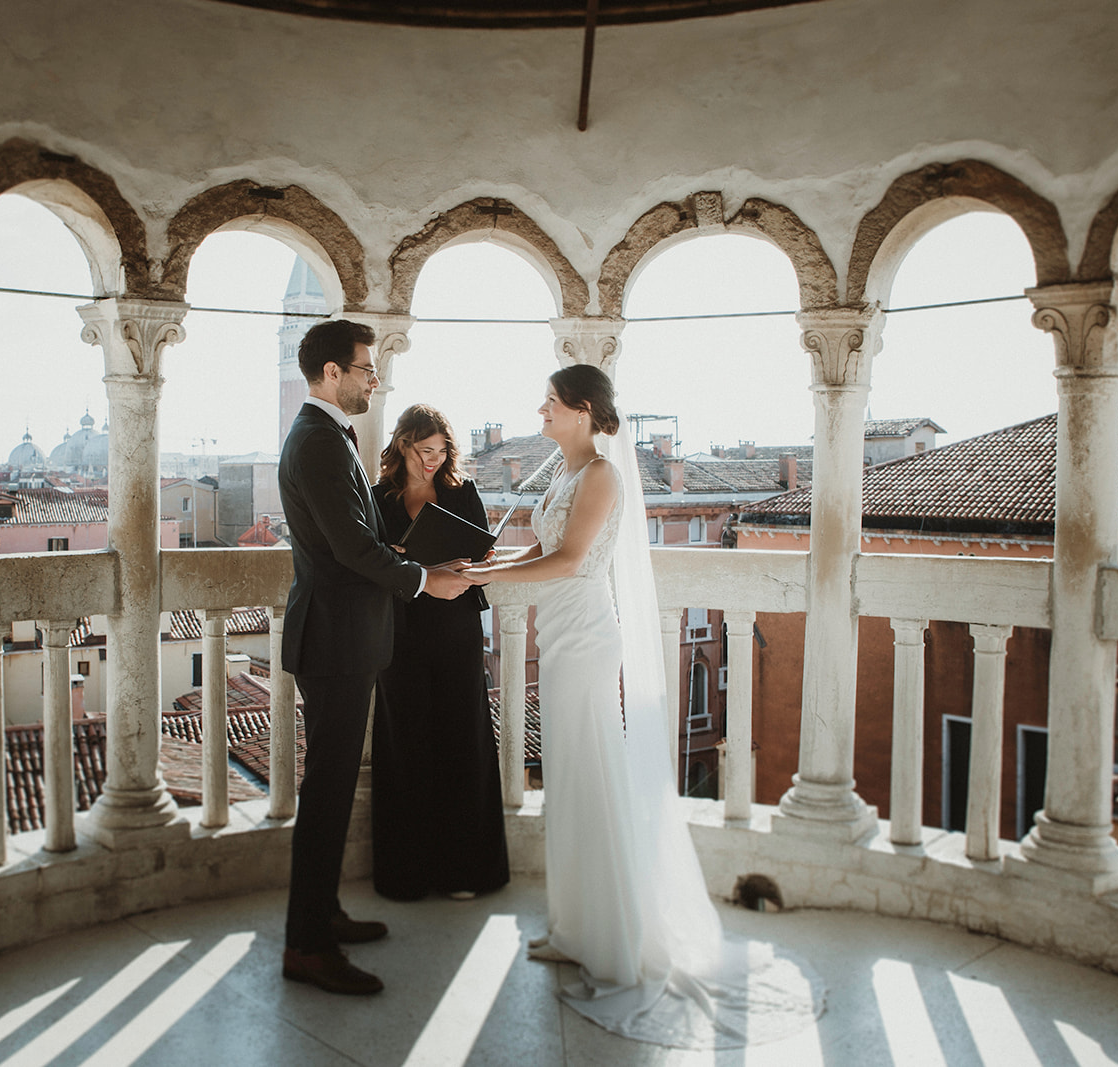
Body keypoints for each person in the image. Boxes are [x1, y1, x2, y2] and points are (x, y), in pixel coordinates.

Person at [464, 364, 824, 1049]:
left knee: (594, 774)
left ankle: (616, 942)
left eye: (551, 401)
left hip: (586, 635)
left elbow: (572, 560)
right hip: (558, 630)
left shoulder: (600, 475)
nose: (540, 409)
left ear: (581, 410)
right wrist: (489, 568)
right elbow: (542, 546)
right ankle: (574, 928)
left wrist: (492, 576)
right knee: (570, 780)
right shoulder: (563, 475)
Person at [277, 319, 473, 996]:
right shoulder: (319, 442)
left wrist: (419, 562)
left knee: (330, 789)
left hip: (341, 636)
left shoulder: (325, 437)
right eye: (365, 368)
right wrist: (426, 579)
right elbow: (353, 550)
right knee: (327, 793)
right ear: (332, 373)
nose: (373, 378)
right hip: (334, 640)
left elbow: (358, 541)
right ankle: (305, 943)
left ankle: (322, 914)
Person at [371, 404, 510, 901]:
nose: (432, 461)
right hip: (401, 631)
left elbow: (481, 558)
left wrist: (469, 563)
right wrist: (414, 565)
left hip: (454, 627)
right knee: (404, 739)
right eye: (423, 450)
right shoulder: (377, 498)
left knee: (461, 737)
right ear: (402, 445)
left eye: (441, 452)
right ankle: (406, 875)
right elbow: (374, 563)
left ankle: (466, 871)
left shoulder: (462, 491)